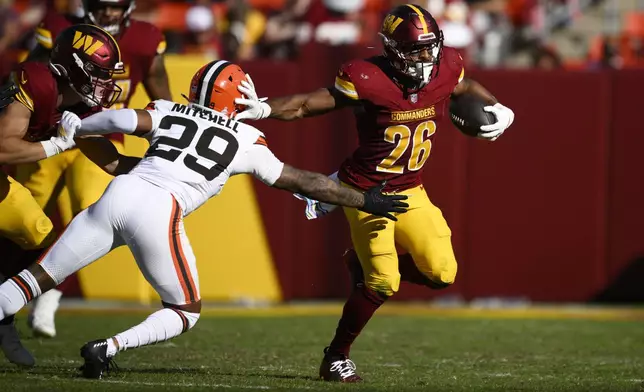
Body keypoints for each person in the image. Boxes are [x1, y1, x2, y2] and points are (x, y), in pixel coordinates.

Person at [0, 60, 409, 379]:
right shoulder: (248, 139)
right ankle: (107, 348)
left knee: (36, 278)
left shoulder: (168, 108)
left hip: (120, 191)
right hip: (159, 211)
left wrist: (77, 128)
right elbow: (302, 181)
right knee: (185, 311)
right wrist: (363, 200)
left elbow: (121, 120)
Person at [234, 3, 515, 382]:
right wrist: (264, 109)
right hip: (365, 191)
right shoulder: (367, 78)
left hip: (410, 188)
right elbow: (306, 105)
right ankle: (336, 356)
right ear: (392, 50)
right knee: (383, 283)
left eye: (428, 48)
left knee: (442, 273)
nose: (424, 57)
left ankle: (358, 266)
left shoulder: (447, 66)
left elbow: (465, 86)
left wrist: (498, 106)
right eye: (414, 50)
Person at [19, 0, 172, 338]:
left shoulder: (145, 38)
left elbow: (160, 90)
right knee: (23, 217)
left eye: (116, 7)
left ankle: (49, 293)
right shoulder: (58, 26)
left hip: (101, 137)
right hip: (53, 131)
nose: (110, 13)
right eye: (103, 6)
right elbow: (30, 81)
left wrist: (171, 133)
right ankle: (12, 290)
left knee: (93, 216)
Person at [0, 23, 123, 366]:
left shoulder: (80, 107)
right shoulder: (34, 80)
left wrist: (163, 167)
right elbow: (3, 148)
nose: (107, 83)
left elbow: (111, 162)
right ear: (75, 67)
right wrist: (56, 145)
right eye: (99, 73)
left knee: (38, 233)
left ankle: (3, 317)